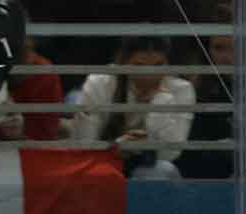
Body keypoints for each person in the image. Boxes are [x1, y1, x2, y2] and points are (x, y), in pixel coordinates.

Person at [72, 35, 194, 180]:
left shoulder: (181, 89)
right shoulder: (99, 84)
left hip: (149, 164)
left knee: (162, 170)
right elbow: (84, 146)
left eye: (158, 65)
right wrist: (116, 148)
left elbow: (171, 154)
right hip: (104, 160)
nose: (149, 74)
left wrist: (160, 102)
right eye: (139, 65)